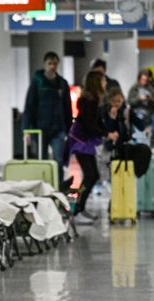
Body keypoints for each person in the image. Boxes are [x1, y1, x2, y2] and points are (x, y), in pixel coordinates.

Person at [66, 70, 114, 224]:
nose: (105, 83)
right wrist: (105, 134)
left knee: (91, 175)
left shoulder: (94, 100)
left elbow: (96, 122)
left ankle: (79, 208)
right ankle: (77, 210)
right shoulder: (89, 101)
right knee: (91, 175)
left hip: (84, 141)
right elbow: (90, 125)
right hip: (81, 141)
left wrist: (107, 132)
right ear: (96, 83)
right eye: (103, 81)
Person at [22, 51, 73, 182]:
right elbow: (29, 107)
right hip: (40, 130)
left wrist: (69, 131)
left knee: (58, 160)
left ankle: (58, 186)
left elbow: (67, 109)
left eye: (55, 63)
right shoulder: (37, 83)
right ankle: (43, 185)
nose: (52, 66)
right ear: (45, 64)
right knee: (42, 160)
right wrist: (26, 130)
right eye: (50, 63)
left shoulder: (62, 84)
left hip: (58, 129)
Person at [128, 70, 154, 145]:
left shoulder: (150, 89)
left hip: (147, 118)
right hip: (136, 119)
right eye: (142, 80)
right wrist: (139, 98)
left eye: (145, 80)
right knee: (138, 139)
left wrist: (149, 99)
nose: (144, 82)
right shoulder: (134, 88)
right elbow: (130, 101)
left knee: (146, 140)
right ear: (139, 79)